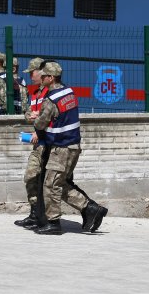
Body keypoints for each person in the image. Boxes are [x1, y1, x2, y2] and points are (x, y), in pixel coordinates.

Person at [32, 61, 107, 235]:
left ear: (51, 78)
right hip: (73, 145)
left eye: (43, 76)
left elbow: (40, 124)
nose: (41, 78)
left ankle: (54, 223)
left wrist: (32, 116)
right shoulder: (69, 92)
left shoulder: (51, 99)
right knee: (59, 183)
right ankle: (91, 209)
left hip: (61, 148)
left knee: (50, 185)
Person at [14, 57, 48, 227]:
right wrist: (32, 116)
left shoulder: (51, 92)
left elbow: (53, 117)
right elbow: (28, 113)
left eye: (32, 73)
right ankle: (35, 213)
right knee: (30, 177)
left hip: (48, 143)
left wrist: (39, 125)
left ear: (41, 72)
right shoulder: (35, 93)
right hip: (38, 143)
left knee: (48, 182)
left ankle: (46, 216)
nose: (30, 76)